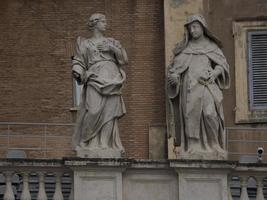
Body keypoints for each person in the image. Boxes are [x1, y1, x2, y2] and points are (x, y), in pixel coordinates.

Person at [167, 14, 230, 159]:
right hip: (189, 89)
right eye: (190, 28)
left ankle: (214, 144)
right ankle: (193, 145)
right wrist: (174, 77)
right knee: (190, 116)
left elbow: (223, 65)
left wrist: (214, 73)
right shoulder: (184, 49)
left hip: (207, 85)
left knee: (210, 114)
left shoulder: (211, 47)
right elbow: (173, 70)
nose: (192, 31)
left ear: (202, 27)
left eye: (195, 27)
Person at [72, 13, 128, 156]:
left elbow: (124, 60)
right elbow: (79, 61)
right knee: (93, 110)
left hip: (113, 78)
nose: (106, 24)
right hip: (94, 77)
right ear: (95, 24)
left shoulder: (112, 42)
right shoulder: (85, 43)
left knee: (110, 113)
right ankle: (86, 139)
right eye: (103, 21)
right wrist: (77, 71)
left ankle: (104, 144)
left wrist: (112, 49)